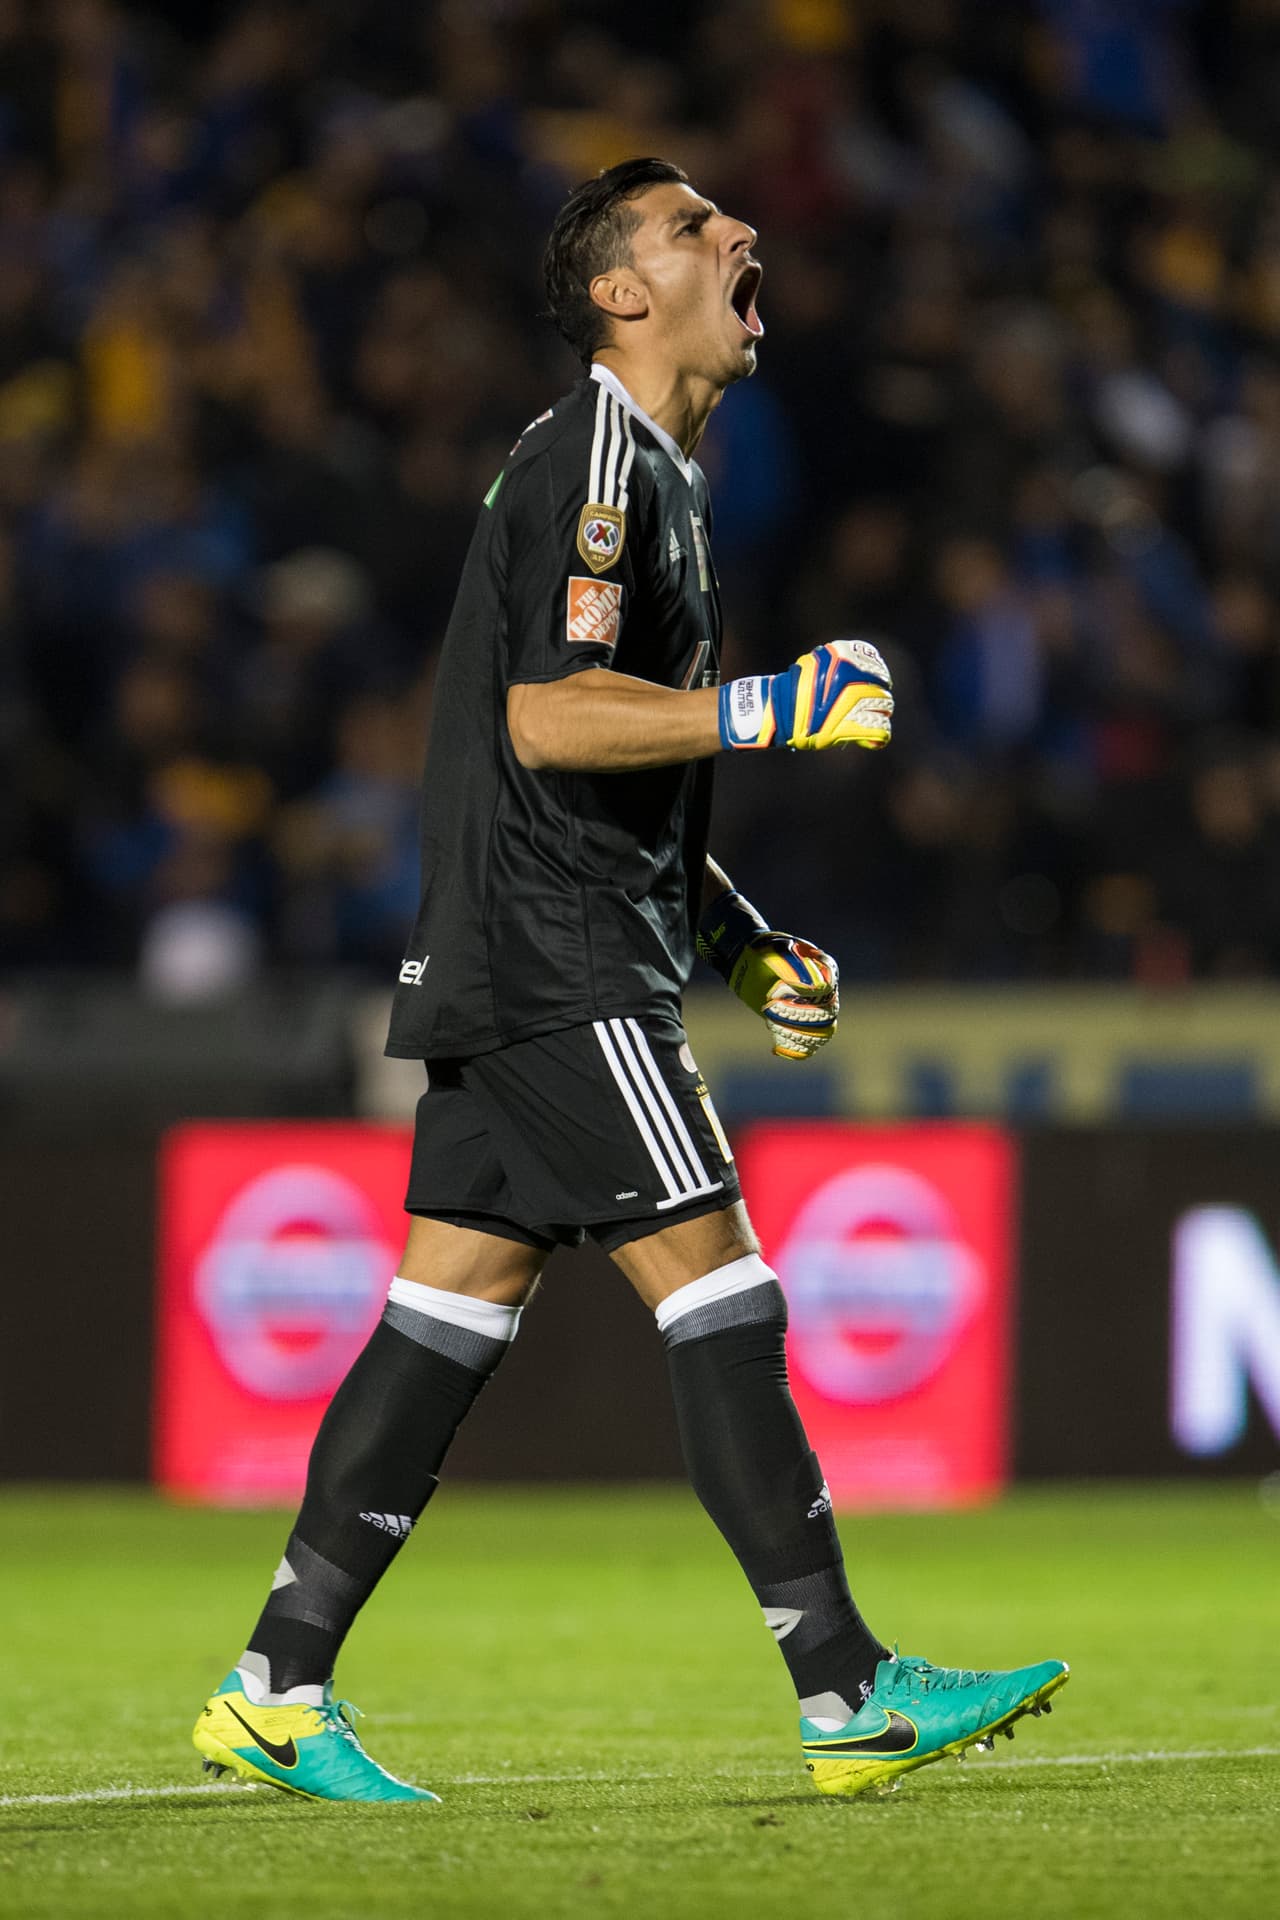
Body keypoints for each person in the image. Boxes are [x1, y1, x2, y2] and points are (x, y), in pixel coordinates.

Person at [193, 158, 1067, 1805]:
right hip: (558, 954)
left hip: (536, 938)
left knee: (445, 1315)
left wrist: (738, 936)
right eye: (691, 228)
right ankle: (845, 1687)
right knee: (725, 1291)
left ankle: (275, 1684)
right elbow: (552, 716)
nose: (739, 236)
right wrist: (774, 705)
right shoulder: (602, 459)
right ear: (618, 294)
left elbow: (614, 764)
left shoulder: (655, 476)